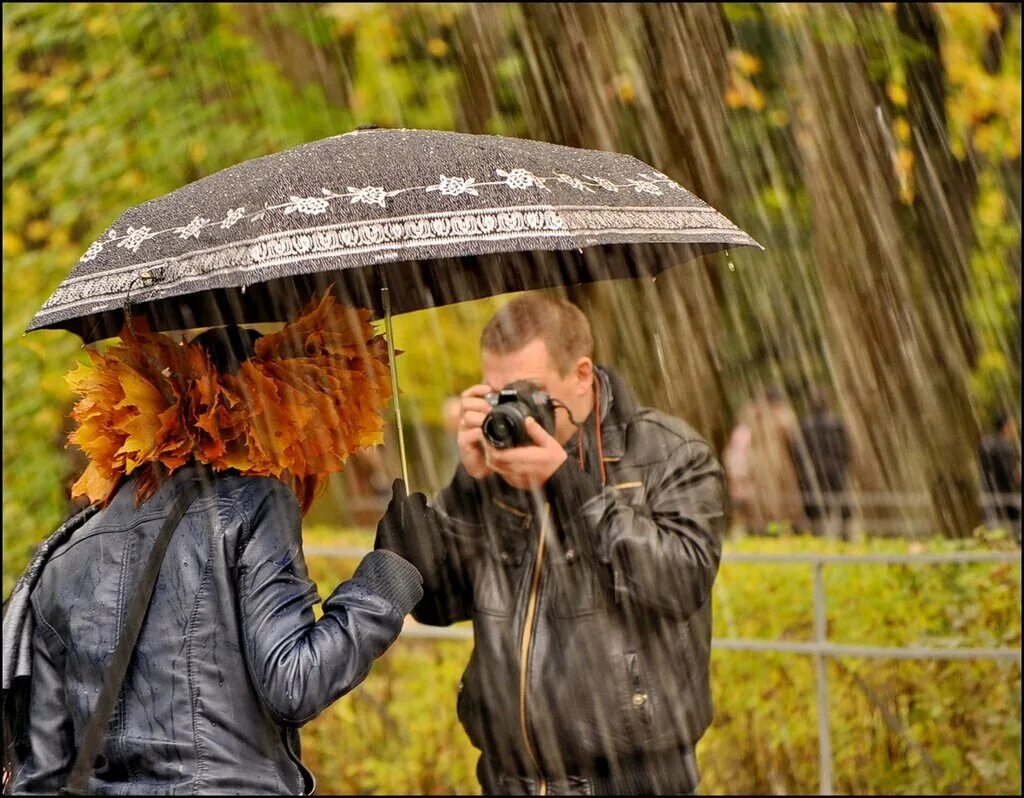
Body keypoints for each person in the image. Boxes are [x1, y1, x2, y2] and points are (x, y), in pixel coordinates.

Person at [3, 293, 427, 795]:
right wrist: (389, 575)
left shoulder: (65, 551)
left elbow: (41, 772)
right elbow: (294, 681)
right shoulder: (252, 505)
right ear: (270, 422)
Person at [376, 293, 726, 795]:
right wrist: (467, 489)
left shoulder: (669, 453)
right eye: (499, 396)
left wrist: (568, 484)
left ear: (582, 375)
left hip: (632, 781)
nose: (514, 412)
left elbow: (679, 579)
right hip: (506, 779)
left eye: (527, 392)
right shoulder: (496, 465)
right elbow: (440, 604)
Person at [790, 388, 852, 540]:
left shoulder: (806, 426)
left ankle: (818, 535)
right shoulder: (836, 424)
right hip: (834, 469)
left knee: (816, 506)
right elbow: (846, 449)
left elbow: (798, 451)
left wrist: (804, 467)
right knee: (841, 502)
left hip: (815, 470)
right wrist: (842, 463)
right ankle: (844, 535)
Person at [978, 413, 1022, 532]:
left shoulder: (988, 443)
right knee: (1014, 517)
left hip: (992, 489)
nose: (1013, 428)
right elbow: (1007, 470)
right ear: (1005, 426)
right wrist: (1015, 477)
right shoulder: (1003, 445)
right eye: (1011, 424)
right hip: (1005, 488)